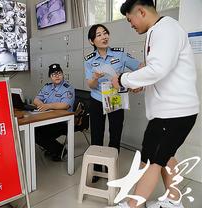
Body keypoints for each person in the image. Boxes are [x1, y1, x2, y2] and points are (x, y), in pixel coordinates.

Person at [109, 0, 199, 208]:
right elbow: (161, 72)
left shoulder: (165, 29)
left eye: (130, 19)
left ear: (140, 11)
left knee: (151, 160)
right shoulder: (161, 30)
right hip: (171, 111)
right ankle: (174, 202)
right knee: (165, 156)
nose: (130, 25)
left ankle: (133, 205)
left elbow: (158, 69)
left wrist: (123, 79)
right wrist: (141, 83)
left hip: (173, 113)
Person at [84, 24, 142, 182]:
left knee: (115, 135)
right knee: (97, 136)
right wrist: (95, 77)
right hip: (97, 100)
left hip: (116, 99)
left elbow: (139, 66)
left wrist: (136, 82)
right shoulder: (89, 61)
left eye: (105, 33)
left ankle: (111, 169)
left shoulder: (121, 54)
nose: (104, 37)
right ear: (92, 41)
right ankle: (96, 170)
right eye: (98, 35)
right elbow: (91, 85)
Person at [33, 63, 75, 161]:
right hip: (48, 119)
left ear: (63, 74)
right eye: (53, 74)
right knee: (35, 131)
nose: (57, 76)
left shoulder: (68, 88)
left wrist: (48, 106)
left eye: (59, 73)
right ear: (50, 77)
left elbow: (65, 105)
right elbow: (36, 99)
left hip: (63, 122)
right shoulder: (47, 87)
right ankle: (54, 148)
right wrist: (41, 105)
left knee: (39, 134)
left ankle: (60, 150)